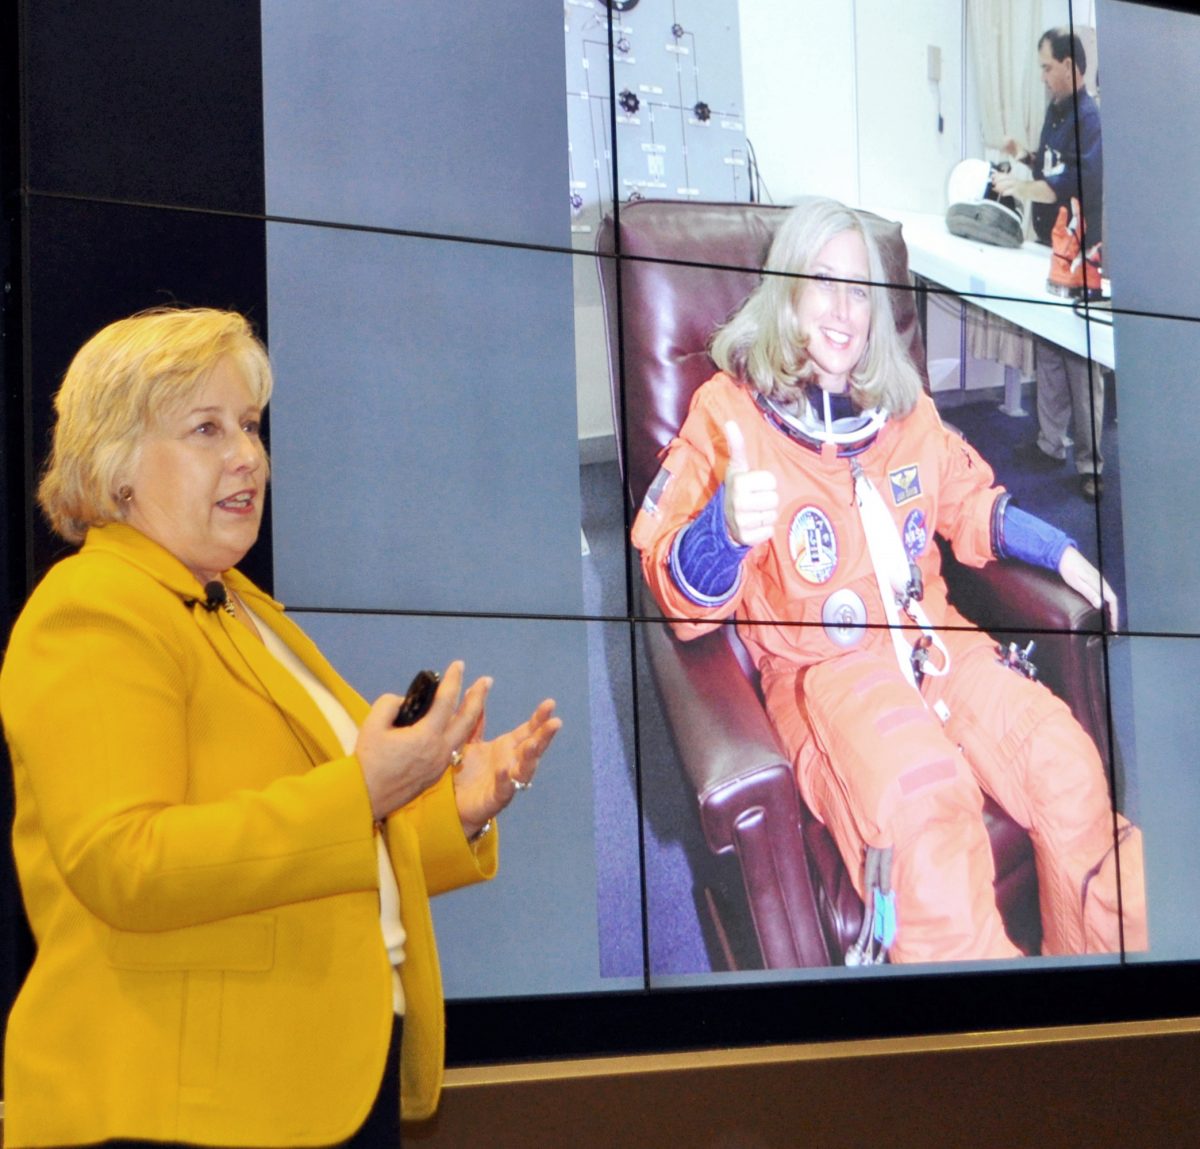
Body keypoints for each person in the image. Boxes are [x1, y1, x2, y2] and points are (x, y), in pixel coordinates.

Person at [0, 308, 561, 1148]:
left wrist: (450, 808)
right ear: (116, 467)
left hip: (305, 1089)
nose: (247, 456)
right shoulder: (96, 609)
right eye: (206, 428)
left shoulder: (239, 608)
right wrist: (363, 788)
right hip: (180, 1110)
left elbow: (306, 852)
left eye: (251, 426)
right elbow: (124, 860)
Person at [631, 198, 1145, 966]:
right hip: (829, 677)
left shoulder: (901, 412)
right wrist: (724, 529)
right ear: (785, 294)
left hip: (940, 647)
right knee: (927, 814)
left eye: (861, 290)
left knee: (1068, 769)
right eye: (821, 282)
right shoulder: (728, 415)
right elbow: (668, 583)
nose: (843, 310)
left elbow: (969, 495)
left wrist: (1059, 551)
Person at [992, 27, 1106, 502]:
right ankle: (1049, 444)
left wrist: (1018, 188)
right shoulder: (1056, 111)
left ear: (1071, 66)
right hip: (1048, 247)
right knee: (1050, 350)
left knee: (1080, 359)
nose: (1042, 76)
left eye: (1046, 67)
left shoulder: (1091, 118)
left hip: (1082, 254)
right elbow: (1050, 168)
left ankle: (1092, 464)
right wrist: (1024, 158)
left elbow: (1070, 182)